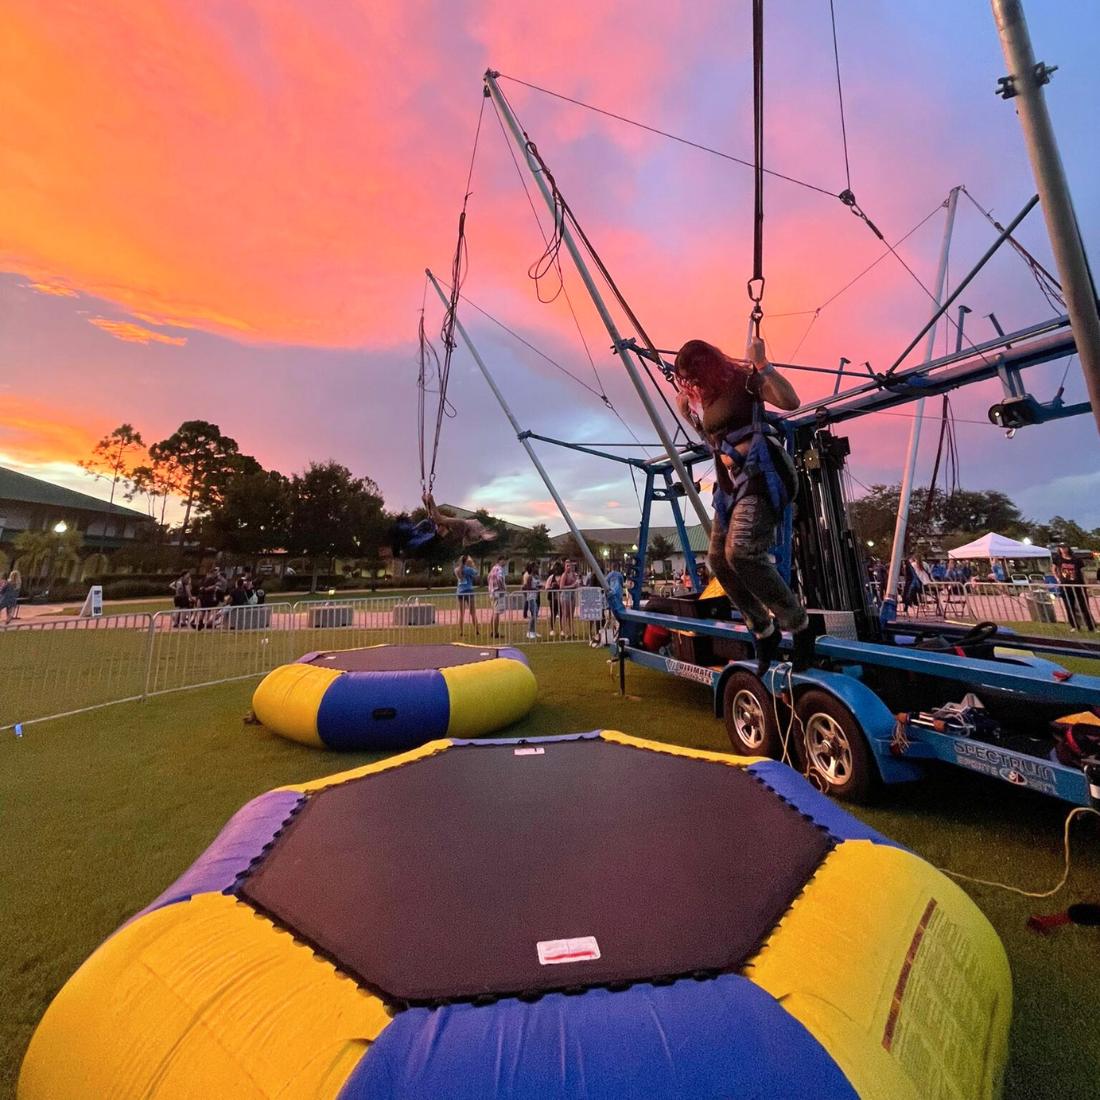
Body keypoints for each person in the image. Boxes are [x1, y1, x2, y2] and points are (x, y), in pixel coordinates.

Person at [673, 336, 809, 674]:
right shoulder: (710, 399)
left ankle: (800, 627)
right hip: (732, 485)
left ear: (706, 365)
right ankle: (763, 629)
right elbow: (715, 443)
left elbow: (790, 401)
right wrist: (690, 417)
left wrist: (762, 364)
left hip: (763, 473)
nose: (690, 383)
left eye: (691, 375)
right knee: (718, 560)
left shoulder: (743, 380)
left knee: (742, 552)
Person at [423, 494, 497, 548]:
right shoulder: (479, 533)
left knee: (436, 520)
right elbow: (480, 534)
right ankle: (430, 499)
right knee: (439, 519)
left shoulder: (476, 537)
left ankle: (427, 501)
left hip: (463, 528)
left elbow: (466, 542)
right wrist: (485, 536)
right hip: (464, 526)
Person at [1053, 545, 1094, 632]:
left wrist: (1086, 584)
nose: (1063, 549)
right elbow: (1053, 569)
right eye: (1061, 548)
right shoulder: (1057, 559)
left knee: (1084, 607)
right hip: (1066, 586)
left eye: (1065, 547)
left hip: (1078, 585)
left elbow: (1082, 572)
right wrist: (1057, 578)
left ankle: (1091, 626)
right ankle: (1074, 626)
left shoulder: (1076, 559)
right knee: (1069, 607)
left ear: (1068, 548)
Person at [455, 554, 479, 636]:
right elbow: (476, 573)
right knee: (473, 612)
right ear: (466, 561)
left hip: (460, 591)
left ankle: (461, 631)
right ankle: (477, 630)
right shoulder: (468, 569)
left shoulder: (457, 570)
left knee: (462, 613)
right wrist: (472, 563)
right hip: (468, 590)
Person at [559, 559, 580, 637]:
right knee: (565, 614)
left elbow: (576, 584)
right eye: (567, 566)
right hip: (565, 596)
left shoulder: (573, 575)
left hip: (572, 595)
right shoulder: (564, 575)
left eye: (570, 566)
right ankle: (564, 631)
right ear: (565, 567)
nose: (569, 567)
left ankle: (572, 631)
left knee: (571, 614)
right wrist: (572, 586)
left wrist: (577, 584)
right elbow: (561, 587)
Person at [488, 556, 508, 638]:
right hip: (498, 592)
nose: (505, 563)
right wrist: (503, 588)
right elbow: (500, 579)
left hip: (492, 592)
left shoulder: (493, 569)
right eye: (504, 561)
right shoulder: (499, 569)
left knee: (494, 612)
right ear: (500, 560)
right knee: (497, 613)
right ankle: (495, 632)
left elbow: (488, 578)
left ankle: (493, 631)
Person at [522, 561, 542, 639]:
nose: (537, 568)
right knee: (533, 614)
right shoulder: (530, 577)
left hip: (536, 597)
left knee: (536, 615)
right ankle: (529, 631)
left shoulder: (536, 577)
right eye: (536, 567)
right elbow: (528, 587)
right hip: (531, 597)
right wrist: (536, 588)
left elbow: (537, 585)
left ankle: (533, 631)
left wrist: (539, 587)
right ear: (532, 568)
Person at [545, 559, 564, 637]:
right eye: (555, 568)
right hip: (553, 599)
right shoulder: (551, 577)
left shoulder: (563, 576)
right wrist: (552, 587)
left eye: (558, 568)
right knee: (553, 614)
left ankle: (562, 629)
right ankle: (552, 629)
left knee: (562, 614)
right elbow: (546, 587)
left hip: (561, 598)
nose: (557, 570)